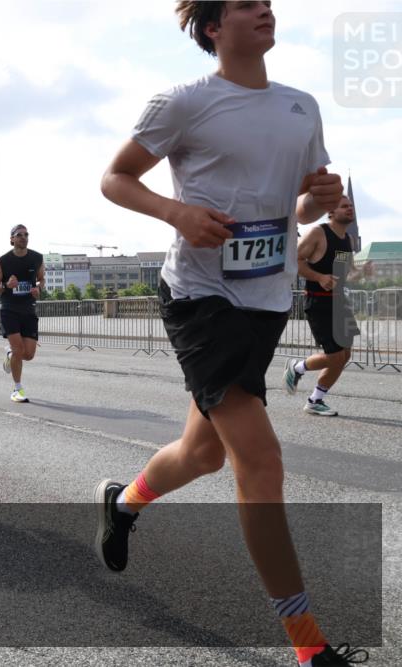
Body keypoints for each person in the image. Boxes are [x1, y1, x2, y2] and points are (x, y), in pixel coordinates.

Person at [96, 3, 365, 666]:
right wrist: (177, 211)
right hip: (200, 297)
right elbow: (115, 177)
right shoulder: (186, 101)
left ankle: (124, 501)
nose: (266, 11)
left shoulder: (300, 107)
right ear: (215, 27)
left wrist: (323, 200)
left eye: (268, 2)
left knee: (203, 453)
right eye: (248, 3)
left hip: (267, 300)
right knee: (260, 460)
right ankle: (309, 647)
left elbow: (294, 203)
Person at [284, 196, 369, 416]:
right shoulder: (318, 233)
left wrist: (362, 273)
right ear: (331, 211)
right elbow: (294, 261)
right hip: (319, 301)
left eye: (351, 206)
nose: (349, 209)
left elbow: (347, 272)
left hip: (340, 302)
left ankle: (315, 399)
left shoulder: (348, 239)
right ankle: (297, 367)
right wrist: (319, 276)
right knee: (334, 356)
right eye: (344, 206)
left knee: (346, 354)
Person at [0, 225, 44, 403]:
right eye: (19, 235)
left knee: (28, 354)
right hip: (9, 310)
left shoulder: (37, 258)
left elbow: (41, 279)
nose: (23, 237)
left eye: (26, 234)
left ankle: (10, 356)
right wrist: (6, 285)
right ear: (12, 239)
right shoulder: (3, 261)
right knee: (18, 349)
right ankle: (17, 388)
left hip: (28, 310)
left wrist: (38, 288)